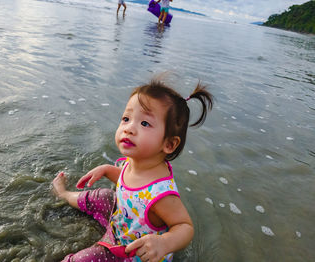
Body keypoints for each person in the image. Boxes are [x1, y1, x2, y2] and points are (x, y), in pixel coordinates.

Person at [52, 76, 213, 262]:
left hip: (132, 254)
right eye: (126, 118)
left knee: (82, 260)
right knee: (103, 196)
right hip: (121, 223)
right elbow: (131, 184)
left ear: (169, 144)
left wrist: (164, 243)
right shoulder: (137, 161)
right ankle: (64, 194)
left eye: (145, 123)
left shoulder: (162, 195)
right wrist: (106, 169)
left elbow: (185, 226)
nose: (129, 128)